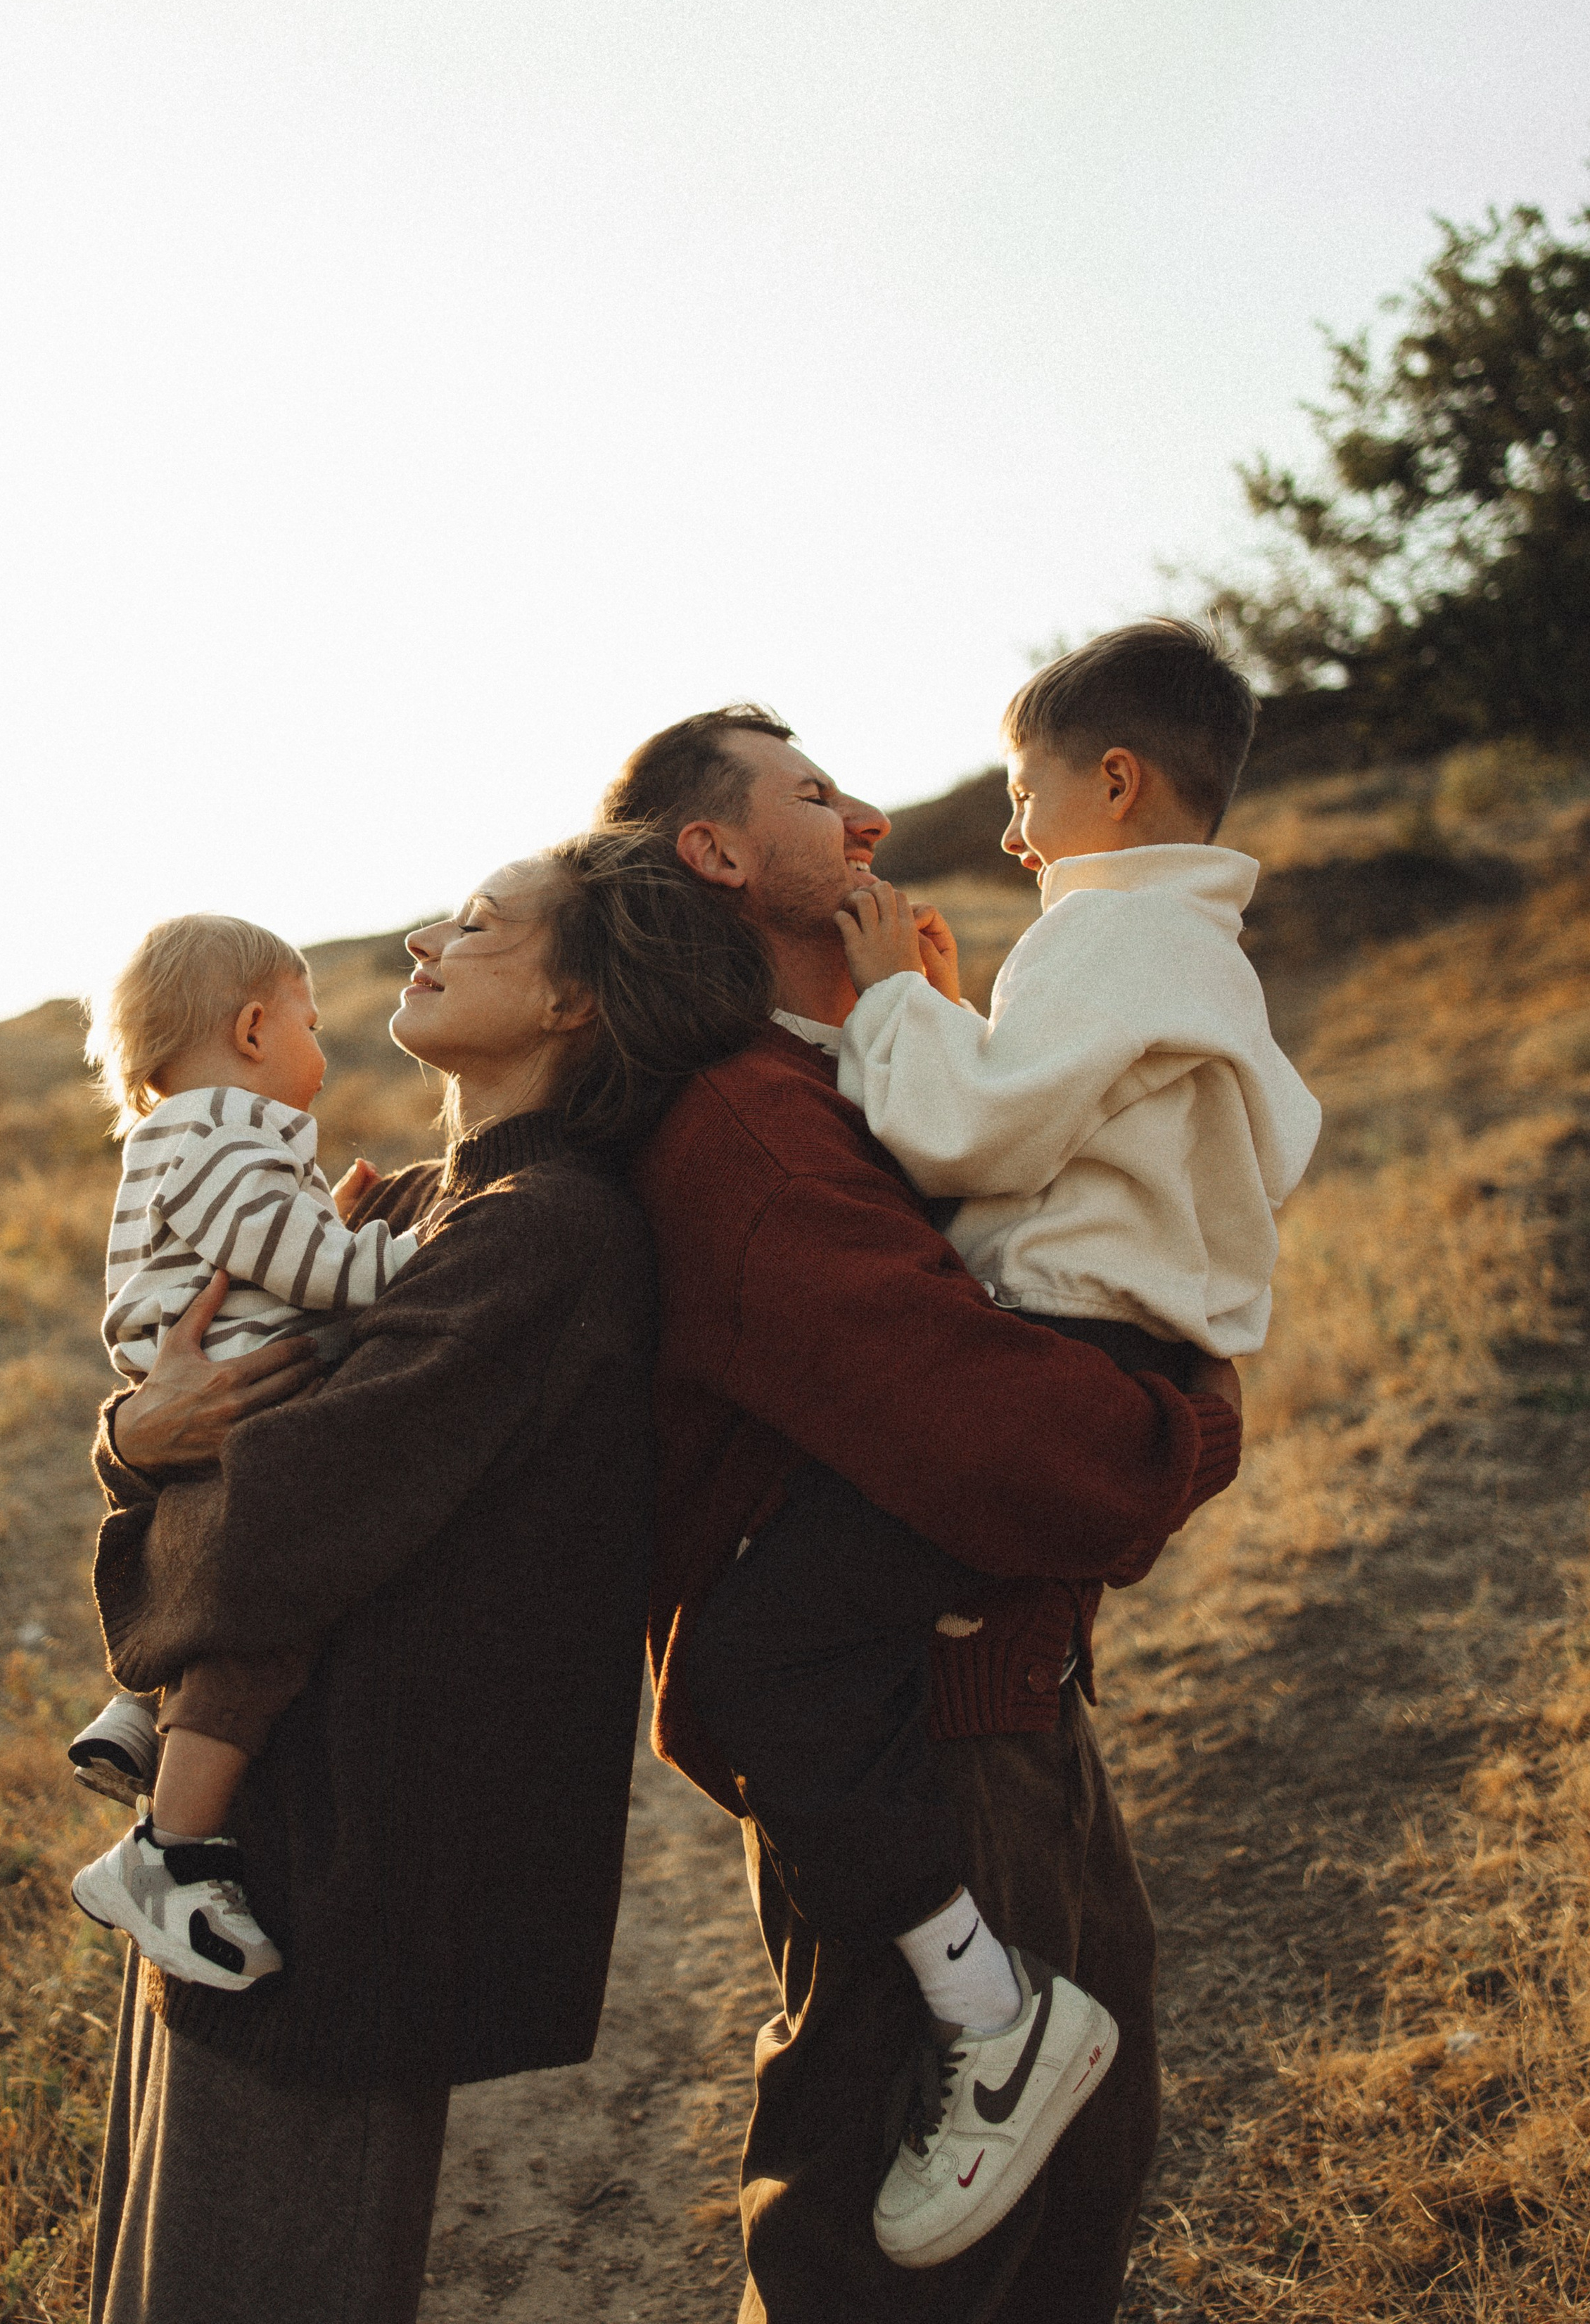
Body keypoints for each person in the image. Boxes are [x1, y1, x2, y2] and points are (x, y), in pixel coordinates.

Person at [679, 627, 1321, 2273]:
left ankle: (993, 2022)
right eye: (817, 794)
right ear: (717, 856)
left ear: (1113, 783)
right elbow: (1019, 1148)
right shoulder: (1170, 951)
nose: (998, 827)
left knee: (744, 1678)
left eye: (1025, 792)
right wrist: (946, 1023)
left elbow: (968, 1142)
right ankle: (993, 2019)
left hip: (1060, 1408)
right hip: (1065, 1438)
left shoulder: (1100, 942)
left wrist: (908, 1006)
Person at [83, 827, 774, 2324]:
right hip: (259, 1837)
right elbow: (231, 1447)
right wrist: (143, 1436)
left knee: (244, 2279)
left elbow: (272, 1512)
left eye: (474, 925)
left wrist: (147, 1460)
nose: (422, 942)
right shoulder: (423, 1216)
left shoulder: (548, 1233)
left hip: (338, 1879)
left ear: (568, 1004)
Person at [68, 912, 423, 1989]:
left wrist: (321, 1219)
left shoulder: (190, 1136)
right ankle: (168, 1855)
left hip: (214, 1384)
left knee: (209, 1576)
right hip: (239, 1396)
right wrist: (419, 1247)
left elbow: (266, 1243)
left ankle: (141, 1706)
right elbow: (317, 1269)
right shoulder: (218, 1132)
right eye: (313, 1025)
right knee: (264, 1619)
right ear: (256, 1027)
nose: (324, 1050)